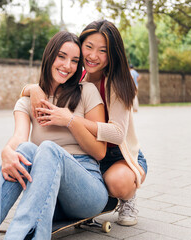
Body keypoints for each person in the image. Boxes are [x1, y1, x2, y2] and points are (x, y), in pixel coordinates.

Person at [0, 31, 109, 240]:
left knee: (47, 149)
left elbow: (100, 151)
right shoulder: (28, 101)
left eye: (75, 61)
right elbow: (19, 137)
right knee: (25, 150)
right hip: (48, 193)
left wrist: (69, 120)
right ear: (49, 57)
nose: (67, 65)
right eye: (61, 56)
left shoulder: (87, 92)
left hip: (87, 191)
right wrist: (6, 151)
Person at [22, 20, 148, 226]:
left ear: (113, 54)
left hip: (118, 154)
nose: (92, 55)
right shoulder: (75, 73)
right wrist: (32, 89)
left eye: (102, 51)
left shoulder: (118, 83)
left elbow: (117, 134)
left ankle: (127, 197)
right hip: (87, 153)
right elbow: (47, 85)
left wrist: (71, 120)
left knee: (117, 183)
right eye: (88, 47)